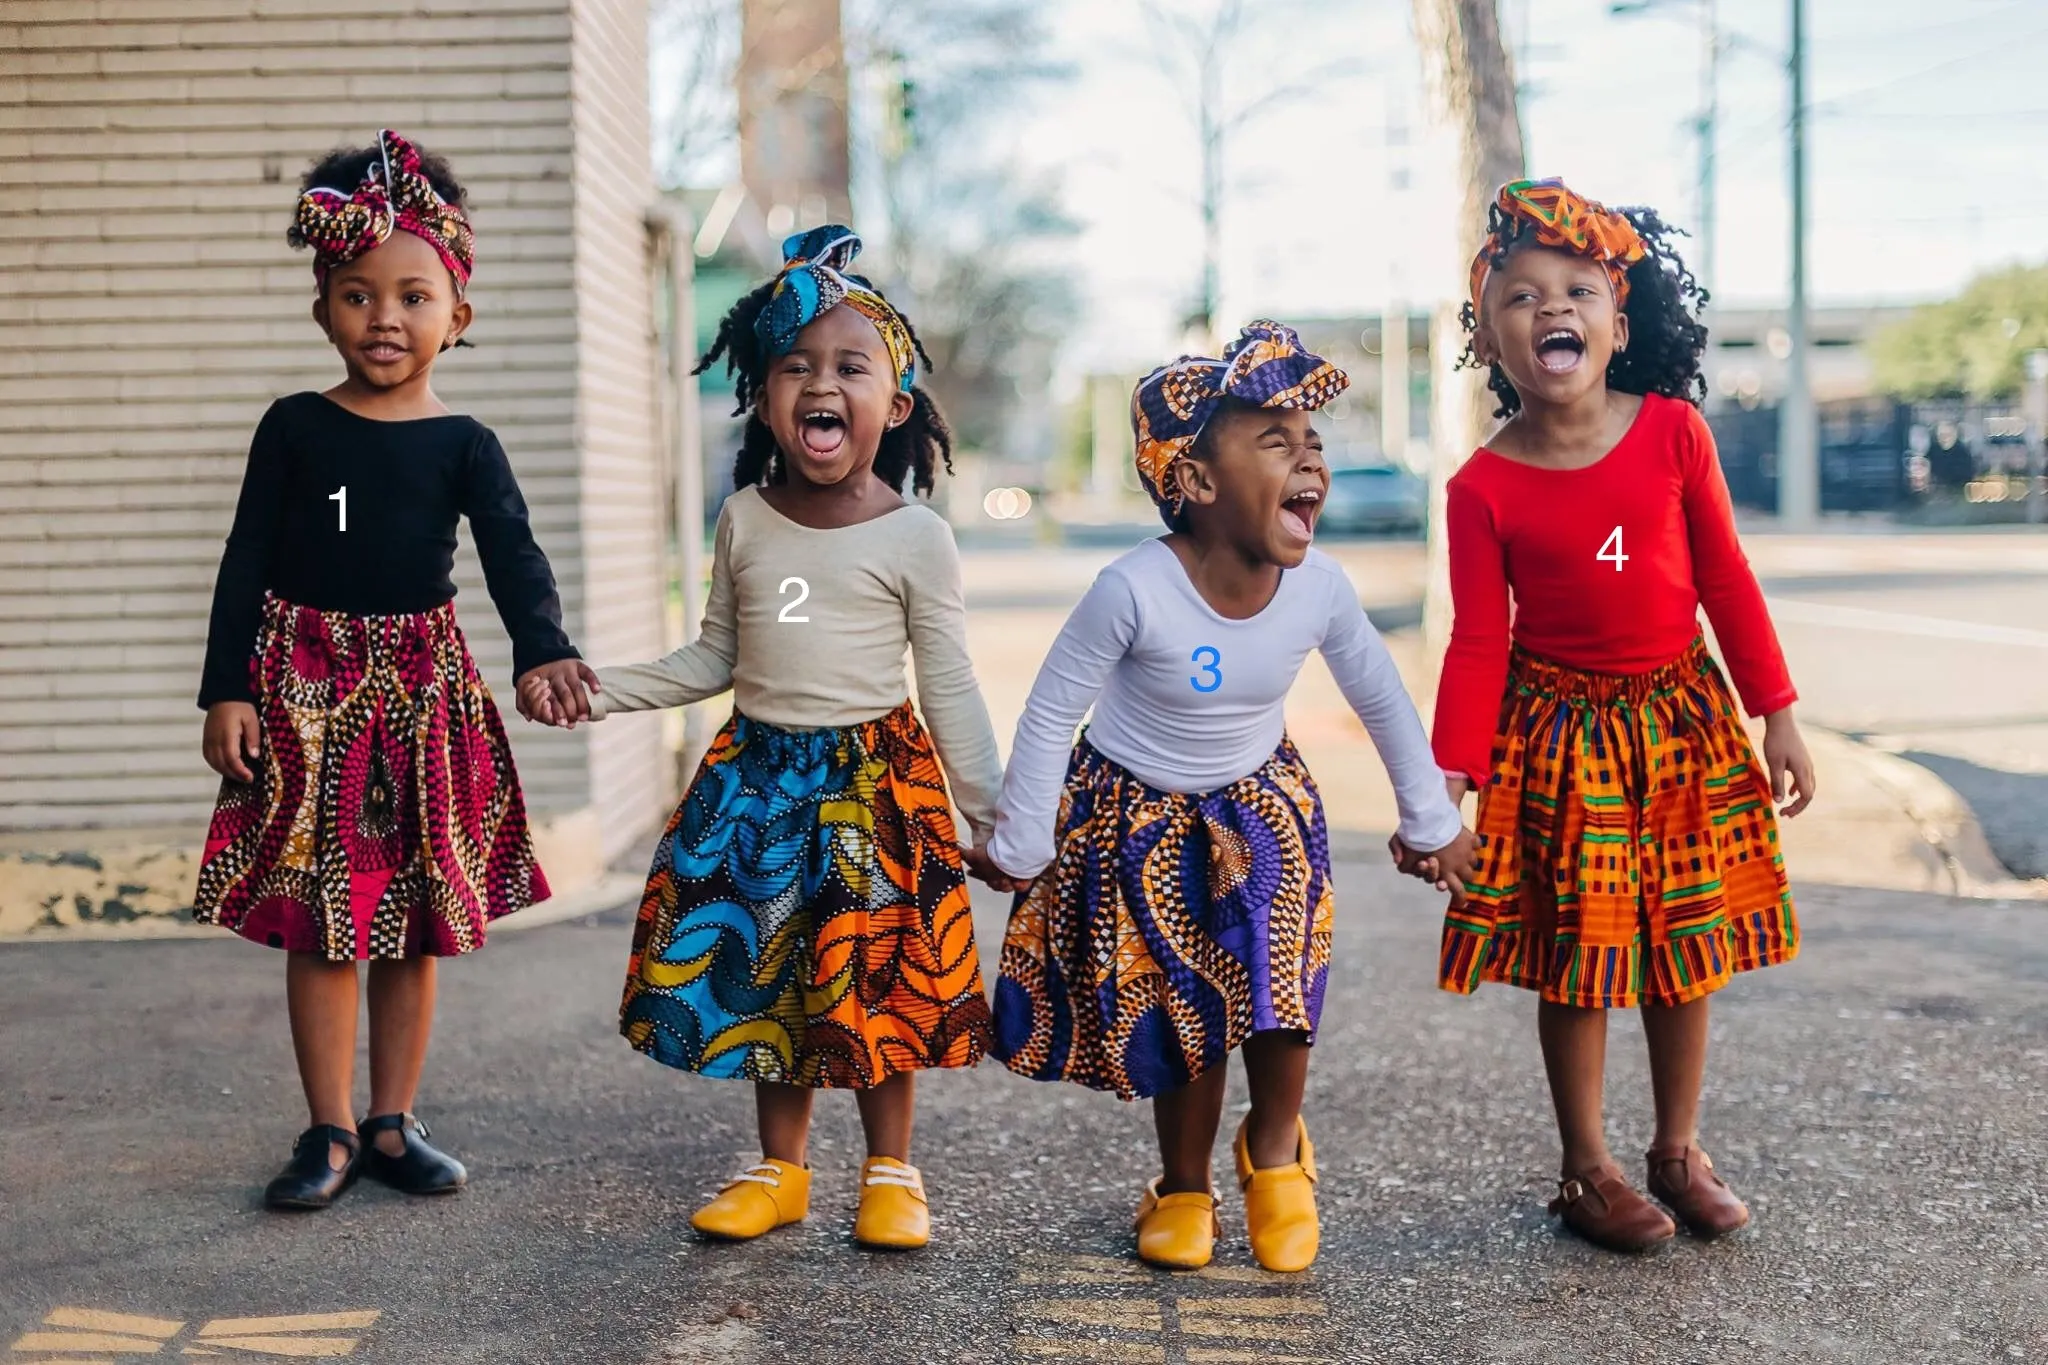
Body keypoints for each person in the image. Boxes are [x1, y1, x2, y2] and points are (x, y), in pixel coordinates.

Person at [965, 322, 1479, 1273]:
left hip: (1260, 798)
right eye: (1275, 442)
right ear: (1197, 482)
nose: (1309, 457)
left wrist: (1431, 819)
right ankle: (1187, 1183)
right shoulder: (1131, 588)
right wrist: (1024, 835)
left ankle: (1277, 1154)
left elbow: (1380, 697)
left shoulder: (1320, 588)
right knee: (1183, 1002)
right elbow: (1050, 711)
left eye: (1312, 440)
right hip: (1139, 810)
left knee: (1283, 980)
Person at [534, 227, 1003, 1252]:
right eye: (794, 366)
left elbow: (948, 679)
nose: (819, 384)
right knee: (773, 978)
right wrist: (598, 691)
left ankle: (891, 1172)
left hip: (873, 789)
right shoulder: (744, 519)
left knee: (879, 983)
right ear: (760, 395)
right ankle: (779, 1172)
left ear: (898, 402)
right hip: (756, 783)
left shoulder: (916, 537)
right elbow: (713, 658)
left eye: (848, 367)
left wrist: (992, 809)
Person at [1412, 178, 1818, 1253]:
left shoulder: (1675, 435)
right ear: (1487, 337)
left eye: (1576, 291)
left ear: (1616, 322)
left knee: (1687, 952)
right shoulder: (1480, 489)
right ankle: (1585, 1167)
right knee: (1579, 960)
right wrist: (1444, 779)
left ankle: (1674, 1151)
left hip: (1681, 722)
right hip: (1561, 738)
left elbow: (1724, 580)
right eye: (1519, 297)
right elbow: (1477, 641)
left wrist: (1773, 711)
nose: (1551, 309)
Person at [194, 130, 592, 1212]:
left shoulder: (465, 443)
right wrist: (226, 687)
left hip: (421, 691)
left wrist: (544, 649)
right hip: (305, 694)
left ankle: (390, 1121)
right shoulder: (293, 430)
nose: (385, 317)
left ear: (455, 317)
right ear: (323, 306)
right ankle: (324, 1129)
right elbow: (246, 558)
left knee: (408, 915)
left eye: (413, 296)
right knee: (325, 917)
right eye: (359, 295)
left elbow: (512, 553)